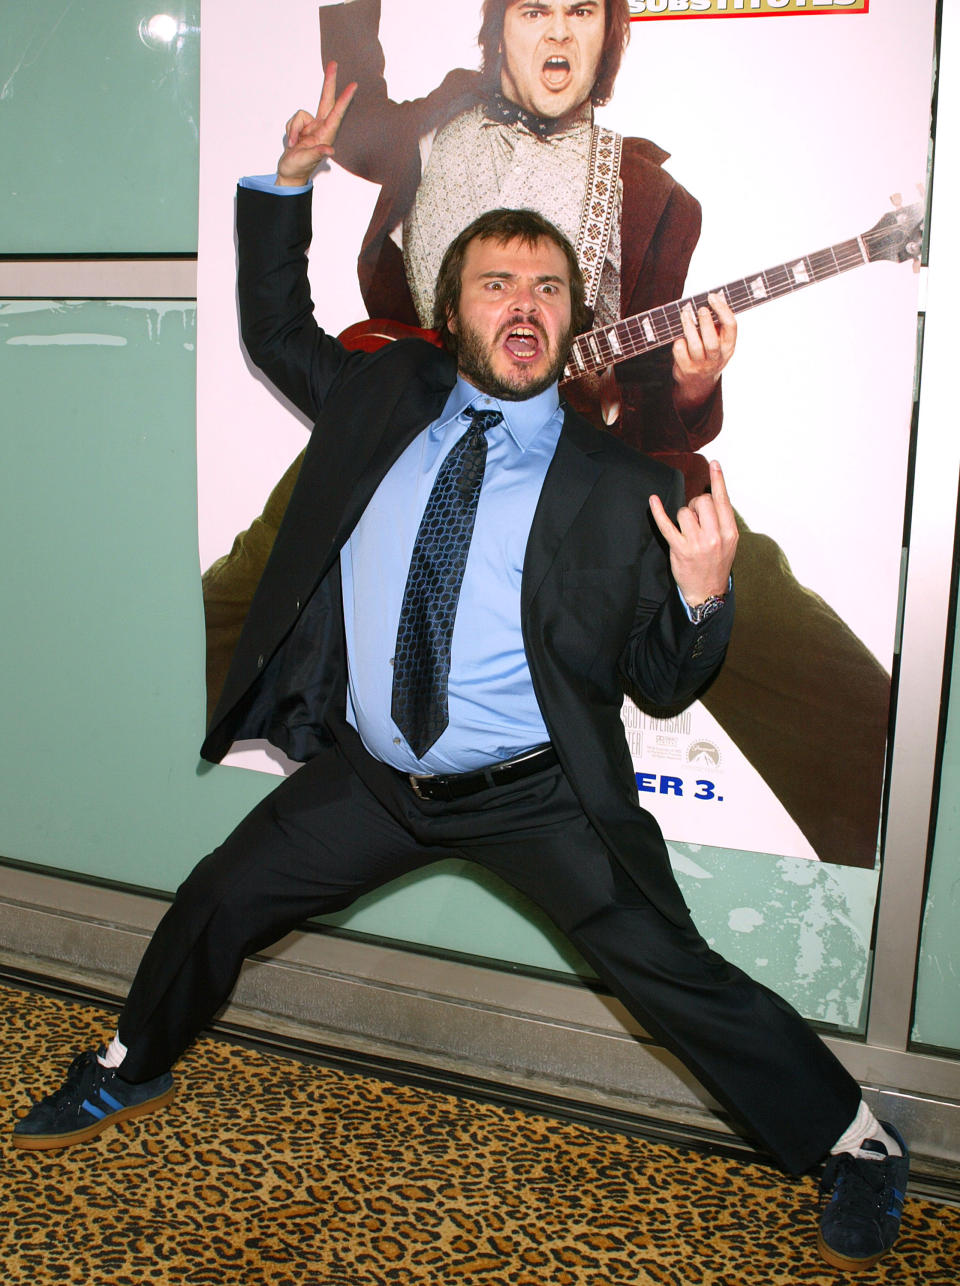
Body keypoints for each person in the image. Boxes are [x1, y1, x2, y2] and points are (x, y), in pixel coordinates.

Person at [16, 67, 908, 1273]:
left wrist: (702, 598)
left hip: (539, 793)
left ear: (572, 315)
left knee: (675, 973)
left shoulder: (621, 487)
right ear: (456, 308)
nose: (527, 304)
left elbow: (659, 682)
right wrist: (283, 186)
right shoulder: (386, 398)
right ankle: (131, 1063)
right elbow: (279, 330)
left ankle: (853, 1139)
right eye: (500, 284)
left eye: (549, 287)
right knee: (221, 895)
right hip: (378, 781)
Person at [203, 0, 891, 871]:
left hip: (554, 461)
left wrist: (690, 384)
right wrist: (307, 140)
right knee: (238, 604)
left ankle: (905, 845)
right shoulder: (433, 122)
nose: (560, 34)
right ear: (499, 29)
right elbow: (355, 107)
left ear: (610, 37)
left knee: (784, 631)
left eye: (581, 13)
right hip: (401, 435)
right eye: (535, 10)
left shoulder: (655, 200)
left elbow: (634, 403)